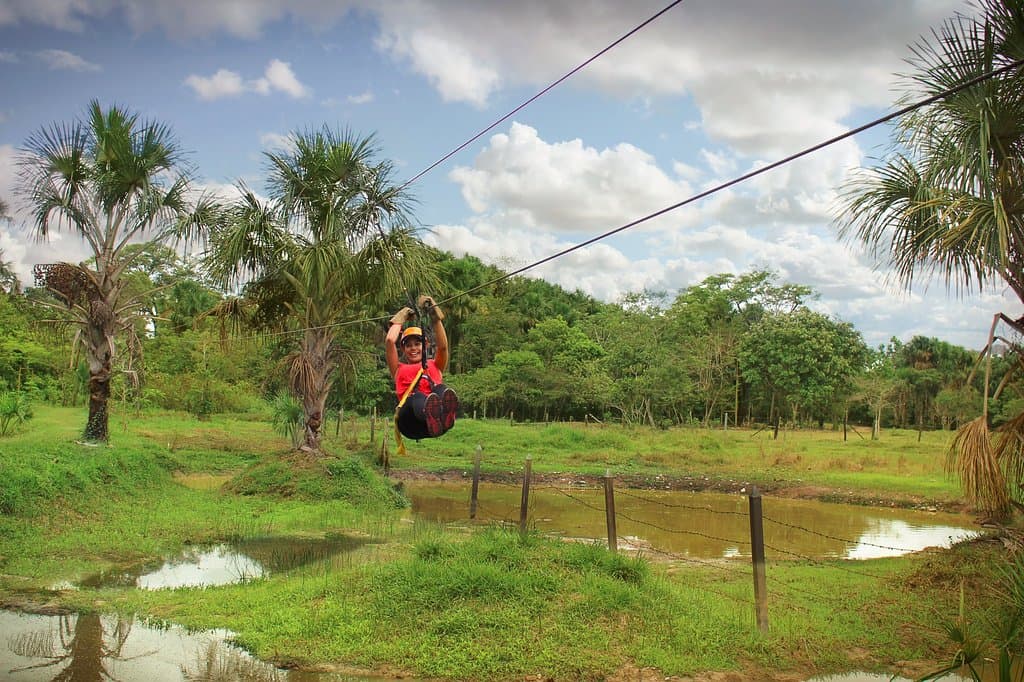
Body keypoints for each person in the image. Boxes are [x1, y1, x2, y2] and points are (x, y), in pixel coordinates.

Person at [386, 295, 458, 440]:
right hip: (410, 422)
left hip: (437, 426)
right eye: (408, 345)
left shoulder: (434, 365)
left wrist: (434, 314)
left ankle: (445, 416)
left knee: (440, 389)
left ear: (425, 345)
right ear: (403, 349)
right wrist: (399, 320)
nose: (413, 348)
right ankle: (431, 413)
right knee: (418, 396)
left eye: (417, 344)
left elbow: (443, 347)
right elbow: (389, 341)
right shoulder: (398, 369)